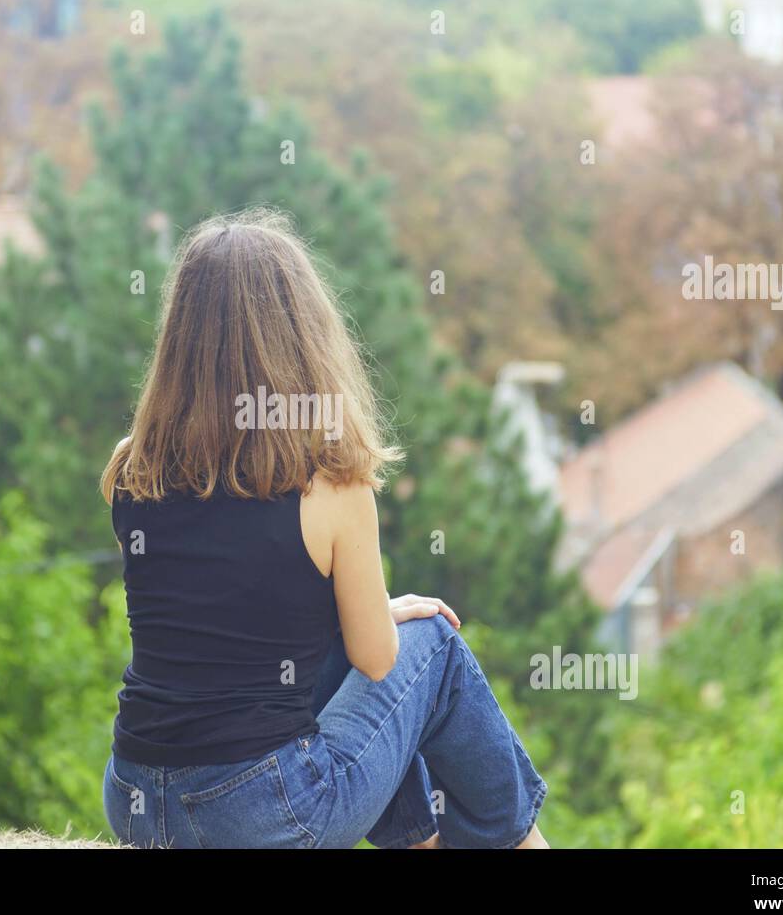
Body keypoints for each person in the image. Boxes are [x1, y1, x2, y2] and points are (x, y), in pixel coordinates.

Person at [100, 208, 548, 849]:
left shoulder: (131, 464)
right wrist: (382, 617)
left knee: (338, 645)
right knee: (436, 647)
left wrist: (368, 612)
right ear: (302, 335)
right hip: (260, 814)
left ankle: (426, 843)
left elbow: (218, 621)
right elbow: (376, 659)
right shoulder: (330, 482)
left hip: (138, 802)